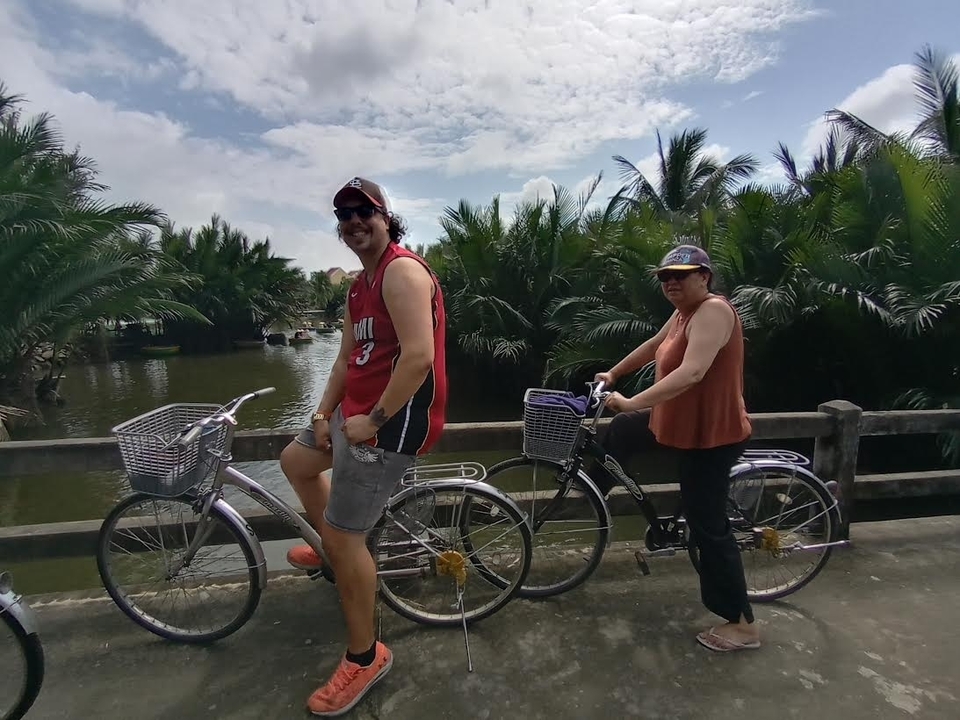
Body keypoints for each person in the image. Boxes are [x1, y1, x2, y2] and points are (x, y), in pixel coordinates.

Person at [278, 177, 447, 715]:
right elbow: (344, 358)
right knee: (295, 461)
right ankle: (338, 547)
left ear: (385, 218)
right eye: (343, 215)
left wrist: (372, 419)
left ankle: (365, 656)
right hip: (354, 416)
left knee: (346, 538)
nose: (353, 222)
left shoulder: (401, 272)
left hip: (390, 424)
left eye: (363, 212)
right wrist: (322, 414)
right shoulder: (358, 287)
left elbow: (419, 358)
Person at [595, 243, 760, 653]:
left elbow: (693, 372)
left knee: (709, 527)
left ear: (704, 277)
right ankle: (592, 491)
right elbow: (656, 344)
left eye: (681, 276)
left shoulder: (713, 311)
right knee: (623, 430)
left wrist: (633, 400)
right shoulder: (684, 311)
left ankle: (741, 624)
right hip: (675, 422)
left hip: (711, 435)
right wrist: (614, 373)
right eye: (665, 277)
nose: (671, 283)